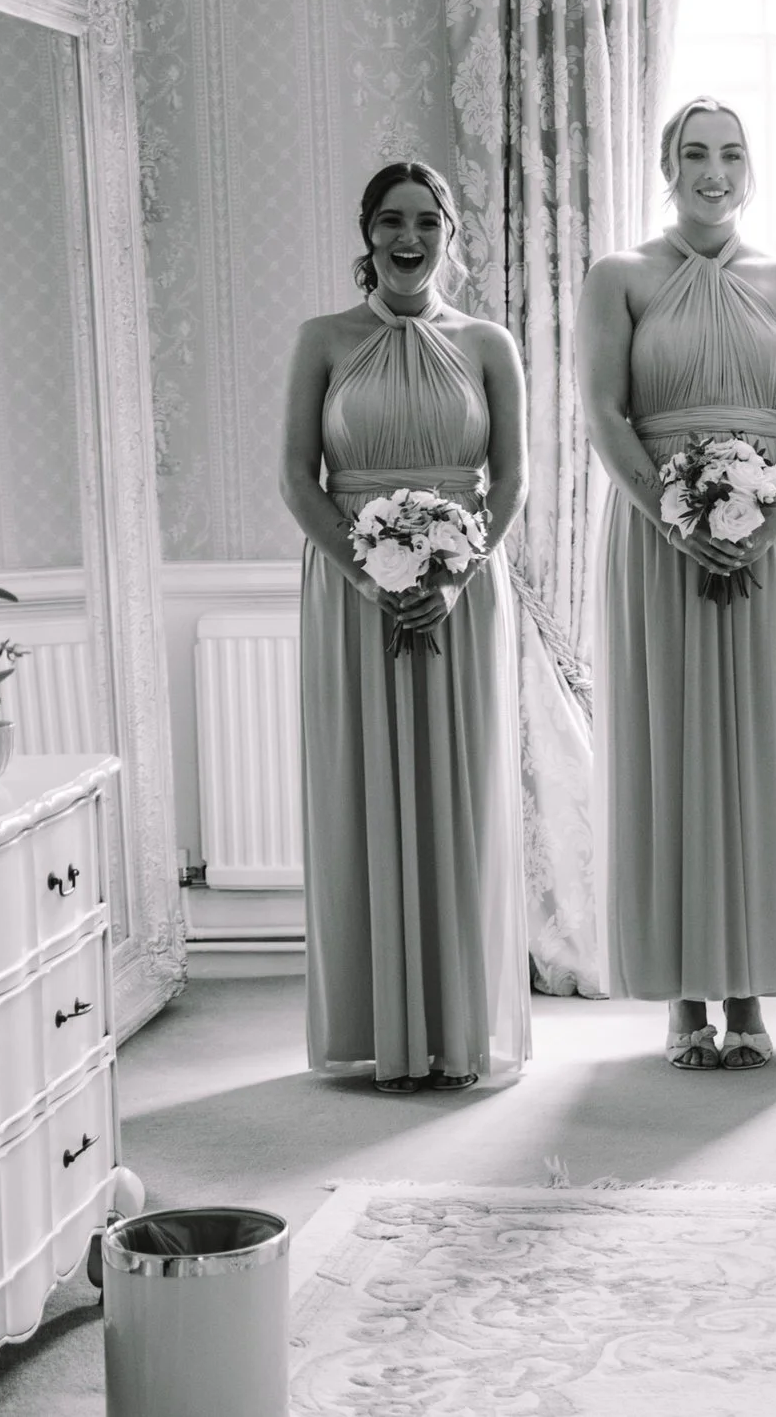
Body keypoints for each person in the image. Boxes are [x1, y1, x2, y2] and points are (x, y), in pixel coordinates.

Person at [581, 97, 776, 1071]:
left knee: (759, 758)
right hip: (658, 538)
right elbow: (605, 413)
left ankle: (750, 988)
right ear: (667, 166)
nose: (713, 171)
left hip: (770, 541)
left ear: (749, 167)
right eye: (694, 153)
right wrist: (673, 518)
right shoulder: (620, 277)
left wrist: (767, 520)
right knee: (670, 750)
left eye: (730, 153)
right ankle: (683, 997)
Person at [282, 160, 531, 1092]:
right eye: (391, 220)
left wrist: (456, 577)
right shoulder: (322, 340)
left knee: (460, 795)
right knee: (362, 793)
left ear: (450, 235)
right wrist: (366, 574)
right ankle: (381, 1029)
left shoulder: (488, 344)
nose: (409, 237)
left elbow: (511, 479)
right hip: (352, 596)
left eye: (428, 221)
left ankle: (457, 1030)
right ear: (367, 232)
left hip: (460, 594)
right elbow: (298, 479)